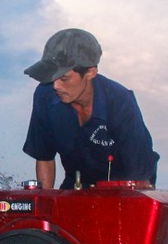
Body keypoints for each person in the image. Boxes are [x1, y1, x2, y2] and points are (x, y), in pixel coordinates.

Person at [22, 28, 159, 189]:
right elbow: (44, 157)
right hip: (75, 187)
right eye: (52, 77)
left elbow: (141, 178)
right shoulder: (44, 95)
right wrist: (43, 206)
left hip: (122, 189)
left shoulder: (120, 101)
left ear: (90, 72)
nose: (56, 86)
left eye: (64, 78)